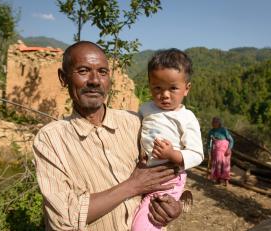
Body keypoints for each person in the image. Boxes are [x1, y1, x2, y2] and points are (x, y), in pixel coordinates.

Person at [32, 41, 183, 231]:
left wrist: (174, 205)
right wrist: (133, 186)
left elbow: (169, 172)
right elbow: (63, 218)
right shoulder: (51, 139)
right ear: (63, 78)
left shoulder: (135, 123)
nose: (95, 80)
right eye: (84, 71)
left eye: (102, 72)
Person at [132, 49, 204, 231]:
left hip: (168, 178)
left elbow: (197, 154)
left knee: (143, 225)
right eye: (158, 88)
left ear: (187, 89)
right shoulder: (146, 108)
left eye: (173, 88)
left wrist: (171, 154)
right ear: (149, 85)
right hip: (145, 174)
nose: (164, 95)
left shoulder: (186, 117)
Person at [207, 117, 234, 186]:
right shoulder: (211, 132)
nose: (214, 123)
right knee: (217, 163)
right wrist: (209, 150)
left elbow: (231, 140)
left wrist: (229, 149)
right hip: (216, 150)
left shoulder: (223, 130)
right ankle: (218, 178)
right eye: (213, 122)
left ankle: (226, 179)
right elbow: (208, 142)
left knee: (226, 164)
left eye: (216, 122)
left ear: (219, 123)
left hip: (225, 149)